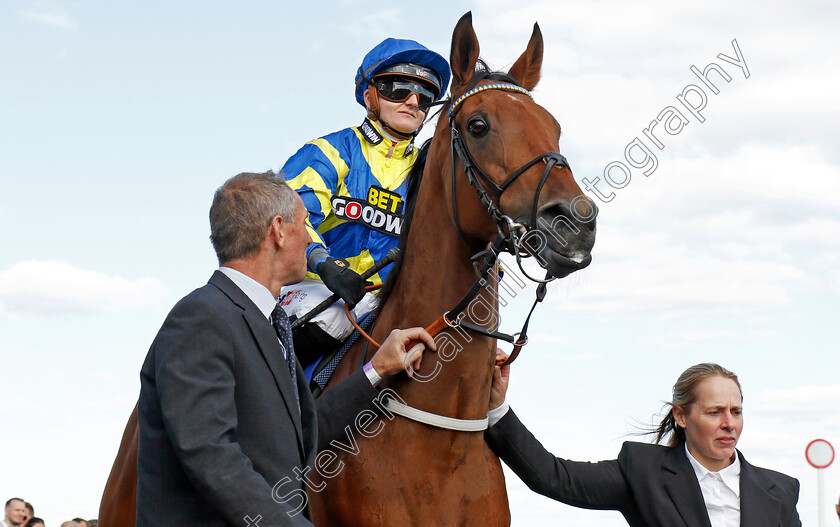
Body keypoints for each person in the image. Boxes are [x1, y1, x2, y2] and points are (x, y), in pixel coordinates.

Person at [136, 172, 435, 526]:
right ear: (278, 230)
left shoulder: (269, 323)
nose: (311, 239)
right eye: (306, 224)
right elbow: (210, 455)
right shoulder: (201, 317)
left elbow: (303, 436)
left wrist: (378, 370)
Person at [279, 37, 450, 368]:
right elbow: (289, 221)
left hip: (385, 304)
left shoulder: (432, 175)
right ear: (370, 95)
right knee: (335, 318)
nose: (414, 101)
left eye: (425, 95)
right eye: (398, 88)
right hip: (313, 288)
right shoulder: (327, 152)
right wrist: (325, 264)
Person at [485, 358, 802, 527]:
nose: (728, 423)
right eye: (714, 412)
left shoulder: (780, 491)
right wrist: (498, 409)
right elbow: (555, 478)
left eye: (735, 411)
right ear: (681, 416)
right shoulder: (643, 473)